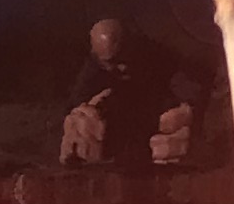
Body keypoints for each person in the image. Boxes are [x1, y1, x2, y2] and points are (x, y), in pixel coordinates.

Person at [59, 15, 197, 169]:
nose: (123, 67)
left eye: (125, 55)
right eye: (113, 62)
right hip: (116, 145)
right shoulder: (92, 72)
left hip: (156, 137)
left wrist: (188, 123)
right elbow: (73, 110)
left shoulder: (162, 59)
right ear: (97, 57)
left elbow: (191, 101)